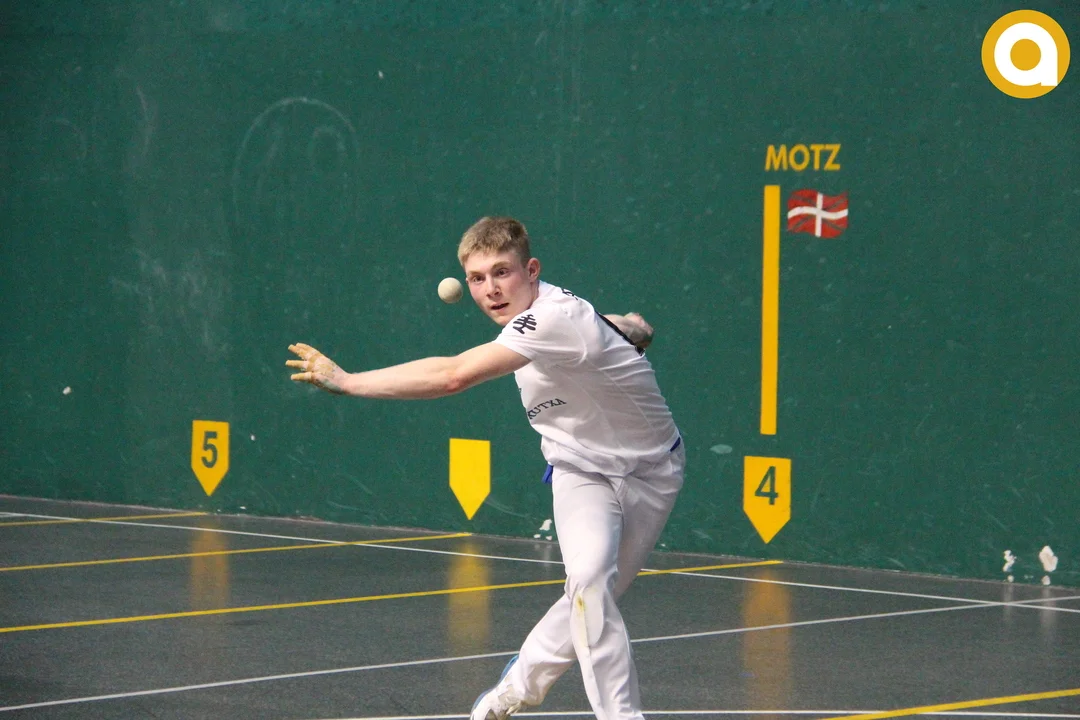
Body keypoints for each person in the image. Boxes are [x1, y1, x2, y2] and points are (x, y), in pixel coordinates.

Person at [286, 216, 684, 720]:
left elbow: (453, 375)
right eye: (477, 278)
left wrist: (349, 381)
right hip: (581, 470)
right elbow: (602, 326)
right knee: (588, 583)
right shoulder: (549, 317)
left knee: (588, 601)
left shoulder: (554, 319)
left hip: (654, 474)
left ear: (531, 270)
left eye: (502, 272)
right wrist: (631, 328)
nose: (490, 290)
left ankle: (513, 691)